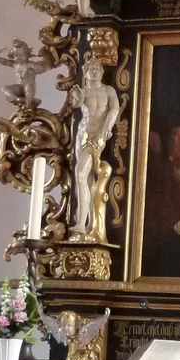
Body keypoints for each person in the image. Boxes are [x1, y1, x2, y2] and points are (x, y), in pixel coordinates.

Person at [70, 56, 121, 241]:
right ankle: (87, 223)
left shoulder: (109, 91)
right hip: (82, 135)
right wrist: (75, 95)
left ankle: (81, 224)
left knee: (80, 174)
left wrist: (106, 130)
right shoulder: (84, 91)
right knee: (87, 178)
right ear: (86, 72)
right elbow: (76, 103)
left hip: (97, 137)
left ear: (102, 71)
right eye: (91, 68)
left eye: (97, 68)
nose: (95, 71)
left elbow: (114, 110)